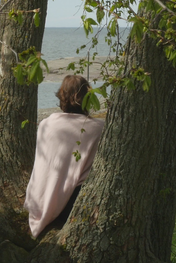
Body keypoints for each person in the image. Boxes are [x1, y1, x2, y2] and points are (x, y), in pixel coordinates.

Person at [24, 74, 104, 238]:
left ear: (61, 97)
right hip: (70, 205)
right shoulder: (99, 128)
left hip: (38, 200)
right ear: (88, 99)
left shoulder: (46, 124)